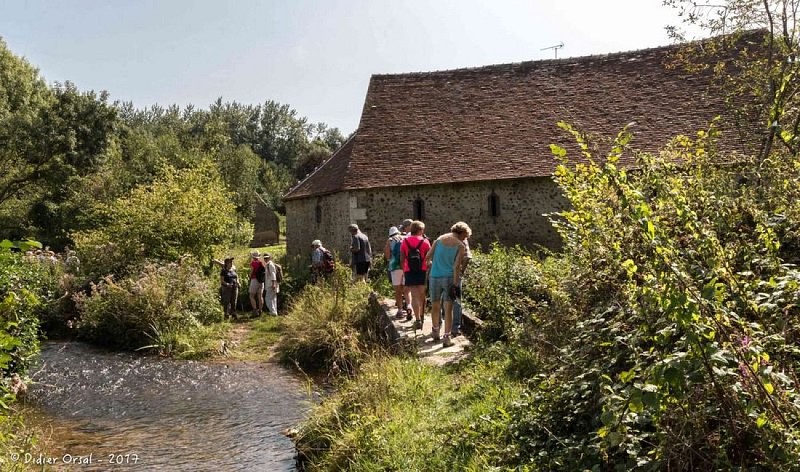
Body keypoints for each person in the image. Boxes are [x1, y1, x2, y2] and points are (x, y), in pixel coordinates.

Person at [425, 221, 471, 348]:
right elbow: (456, 267)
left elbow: (427, 257)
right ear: (461, 233)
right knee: (448, 308)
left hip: (434, 277)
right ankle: (446, 337)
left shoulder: (439, 240)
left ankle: (435, 331)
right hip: (449, 277)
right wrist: (456, 284)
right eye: (465, 236)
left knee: (434, 305)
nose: (465, 238)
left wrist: (434, 266)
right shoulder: (460, 245)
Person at [400, 220, 432, 329]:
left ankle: (417, 319)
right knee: (422, 295)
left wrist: (404, 270)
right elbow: (429, 257)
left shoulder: (405, 241)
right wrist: (428, 267)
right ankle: (422, 317)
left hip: (409, 270)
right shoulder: (425, 242)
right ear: (420, 230)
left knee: (414, 295)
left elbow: (402, 258)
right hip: (422, 270)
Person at [451, 236, 472, 337]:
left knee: (445, 299)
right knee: (457, 300)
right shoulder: (463, 240)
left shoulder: (447, 239)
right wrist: (461, 271)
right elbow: (467, 257)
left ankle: (441, 324)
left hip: (445, 273)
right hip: (456, 275)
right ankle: (455, 328)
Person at [383, 226, 405, 318]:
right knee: (406, 289)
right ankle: (408, 306)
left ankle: (400, 310)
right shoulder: (404, 238)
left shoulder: (390, 240)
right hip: (405, 266)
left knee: (397, 290)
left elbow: (387, 255)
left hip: (395, 266)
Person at [248, 250, 265, 317]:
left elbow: (251, 272)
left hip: (254, 280)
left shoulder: (253, 263)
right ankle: (260, 310)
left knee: (251, 295)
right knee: (260, 296)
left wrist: (249, 277)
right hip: (261, 281)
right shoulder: (262, 263)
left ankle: (255, 310)